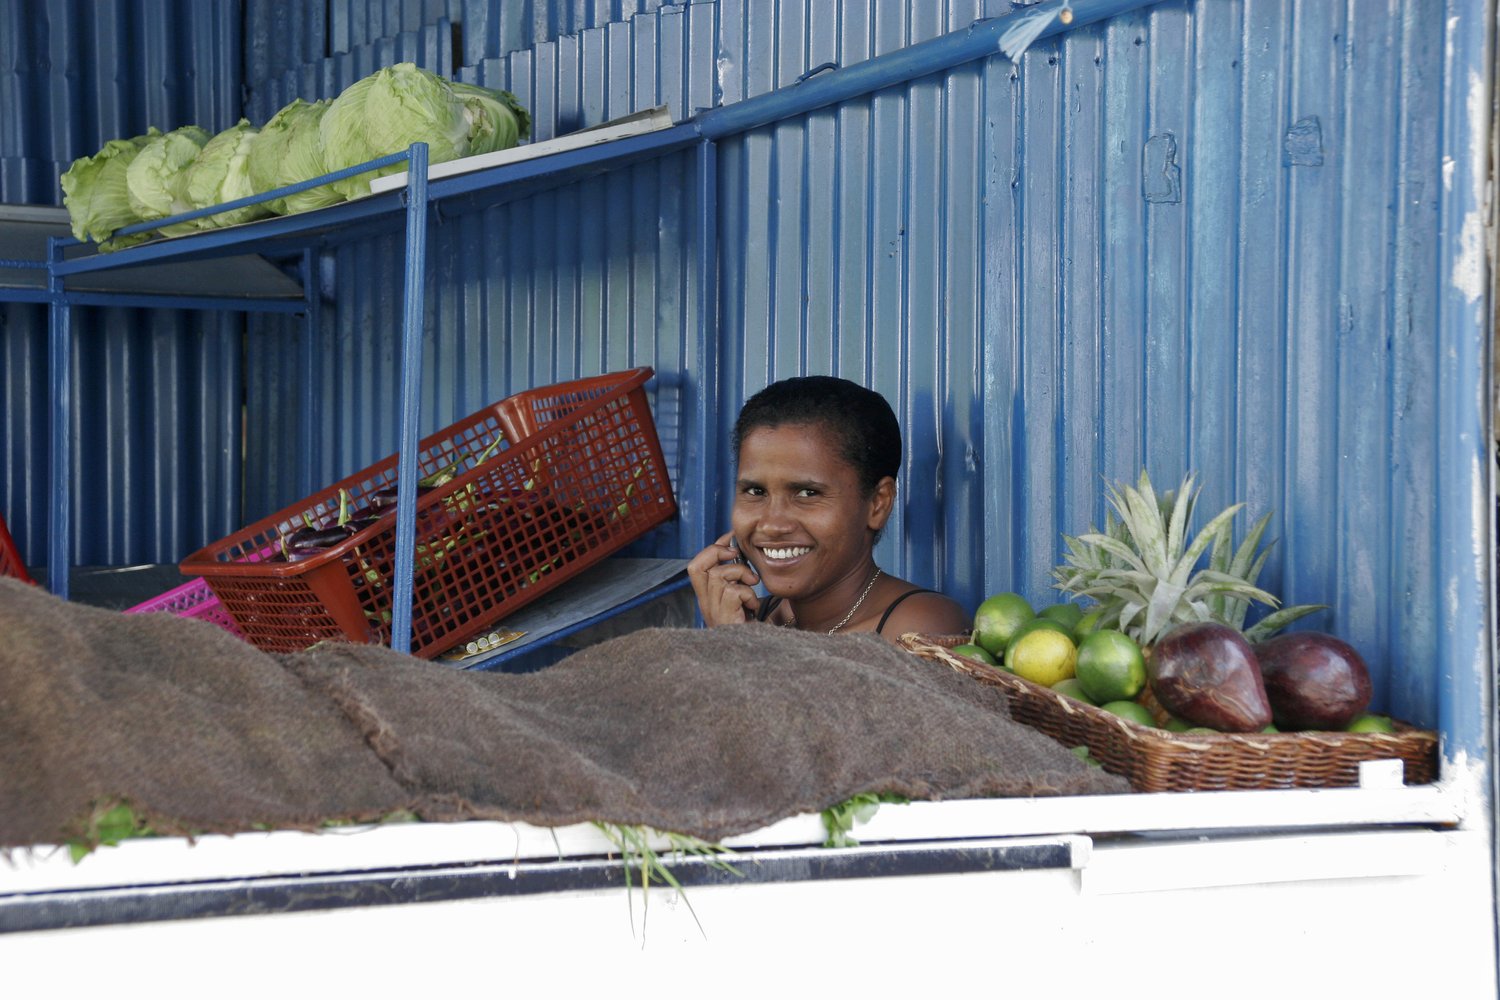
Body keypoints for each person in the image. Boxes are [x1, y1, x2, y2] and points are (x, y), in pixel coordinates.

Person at [687, 375, 969, 641]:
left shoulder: (918, 626)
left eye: (808, 493)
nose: (772, 524)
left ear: (877, 503)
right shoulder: (747, 620)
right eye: (755, 491)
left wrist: (734, 648)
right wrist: (731, 637)